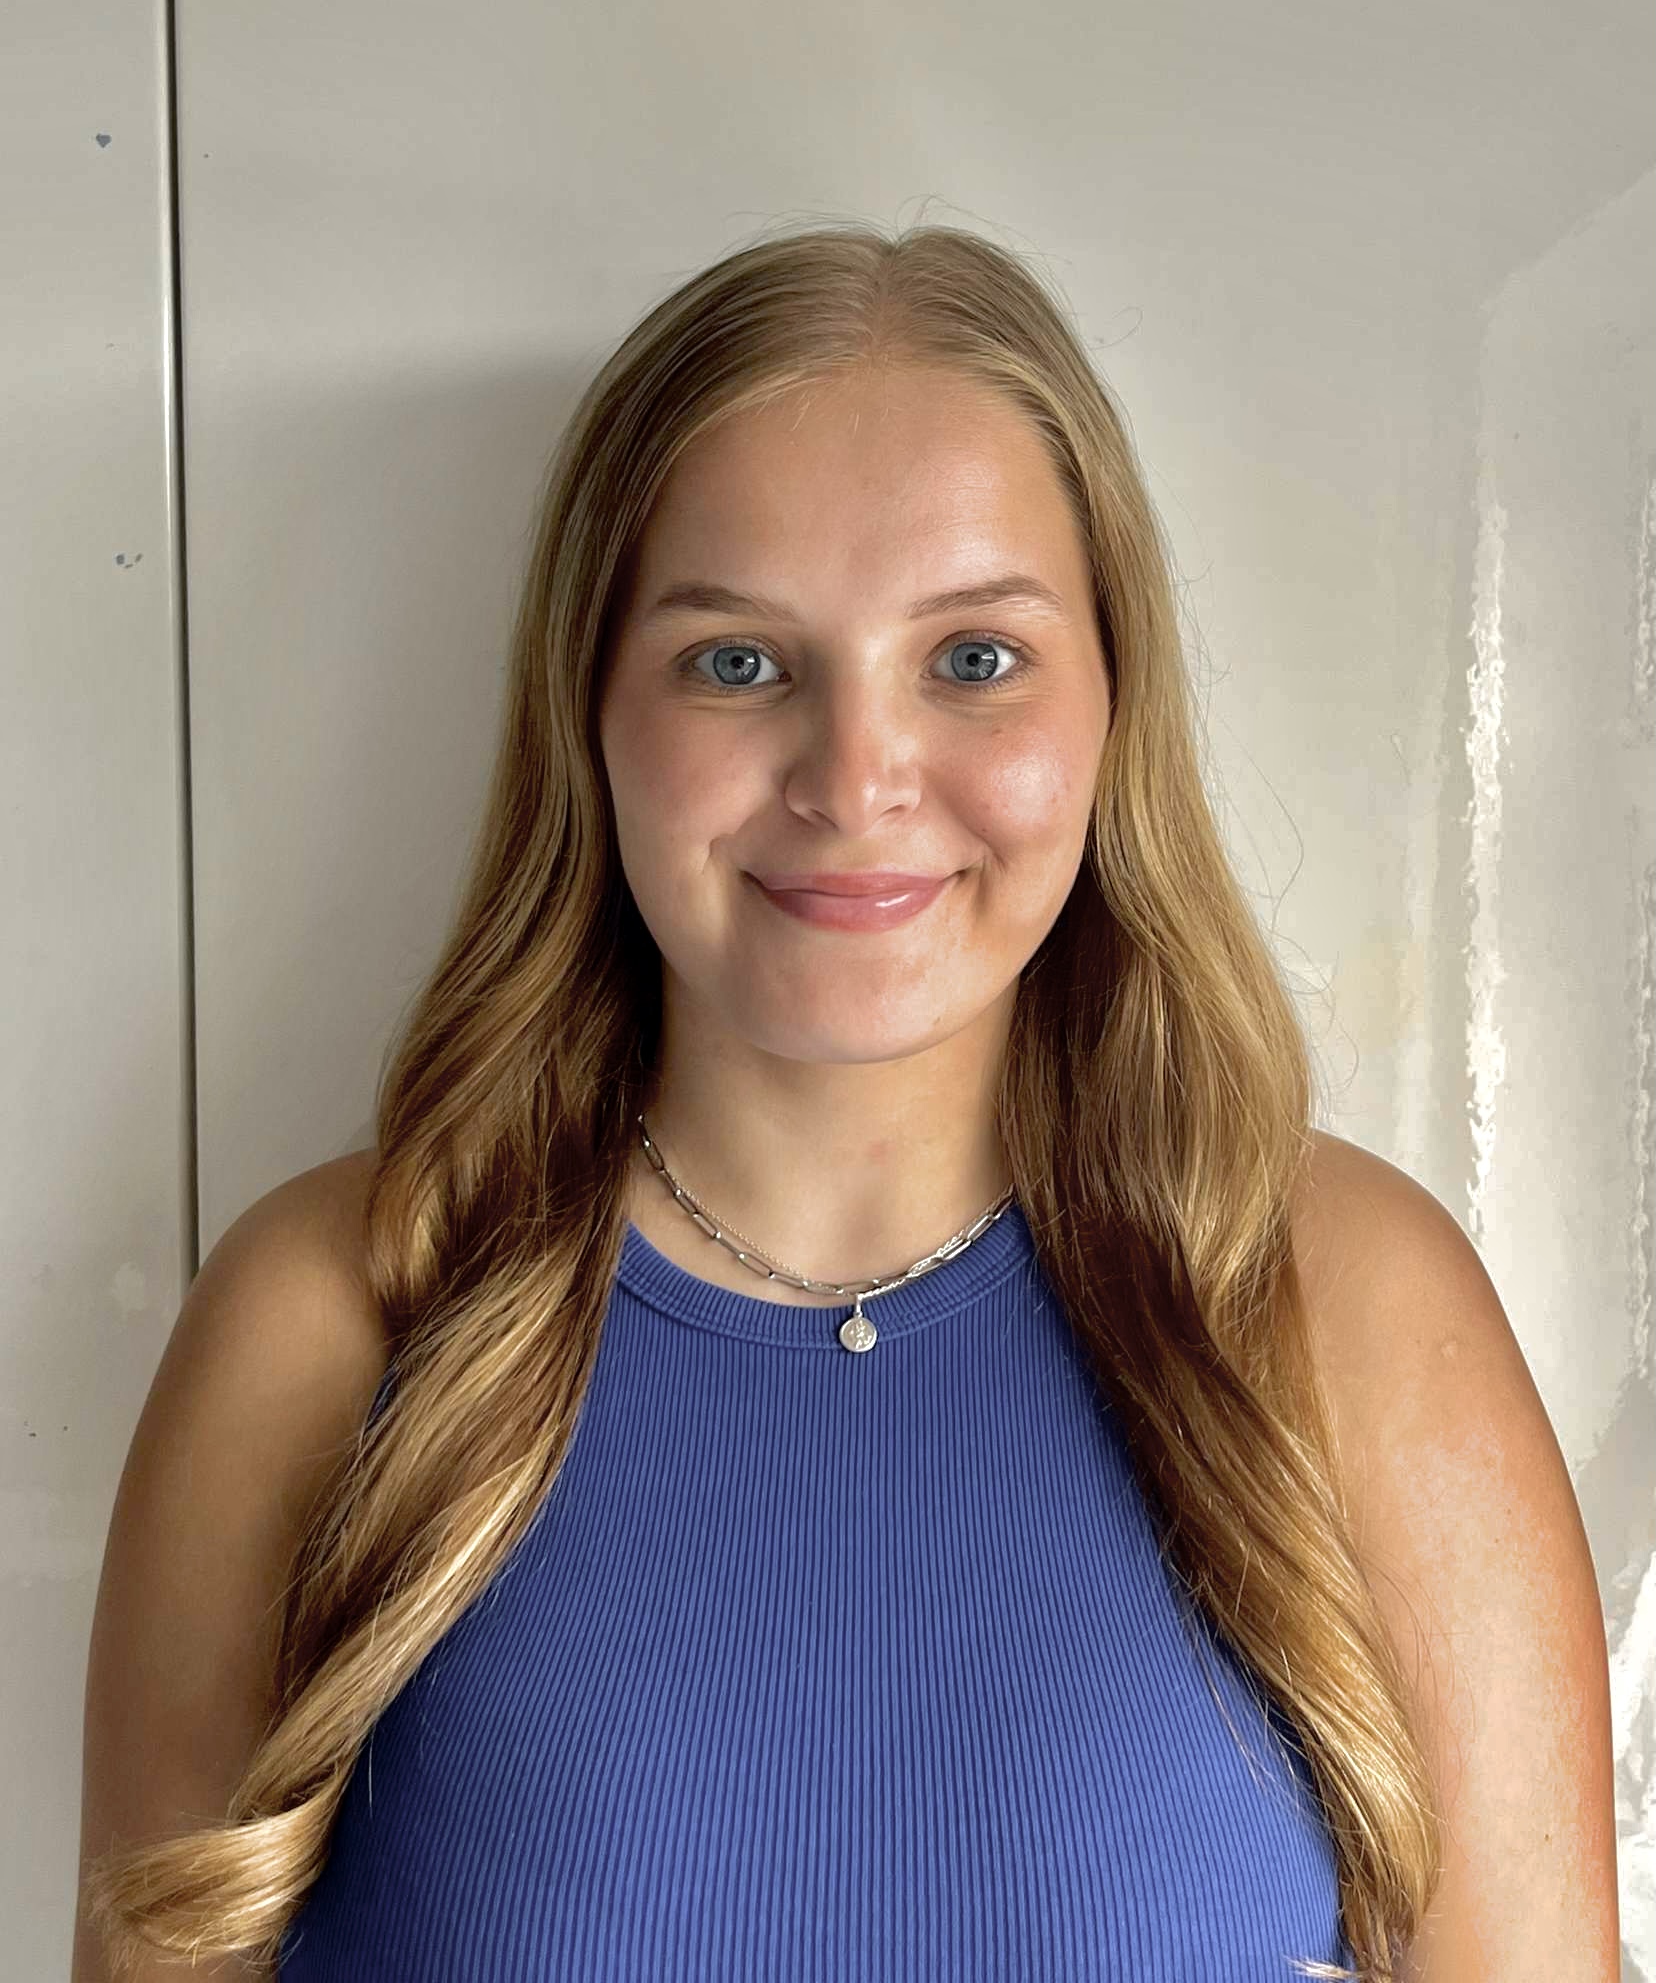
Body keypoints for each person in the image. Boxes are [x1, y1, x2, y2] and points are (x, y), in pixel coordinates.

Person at [75, 220, 1618, 1982]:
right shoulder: (329, 1318)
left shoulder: (1347, 1303)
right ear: (591, 711)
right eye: (738, 661)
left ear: (1114, 702)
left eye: (974, 658)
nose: (857, 778)